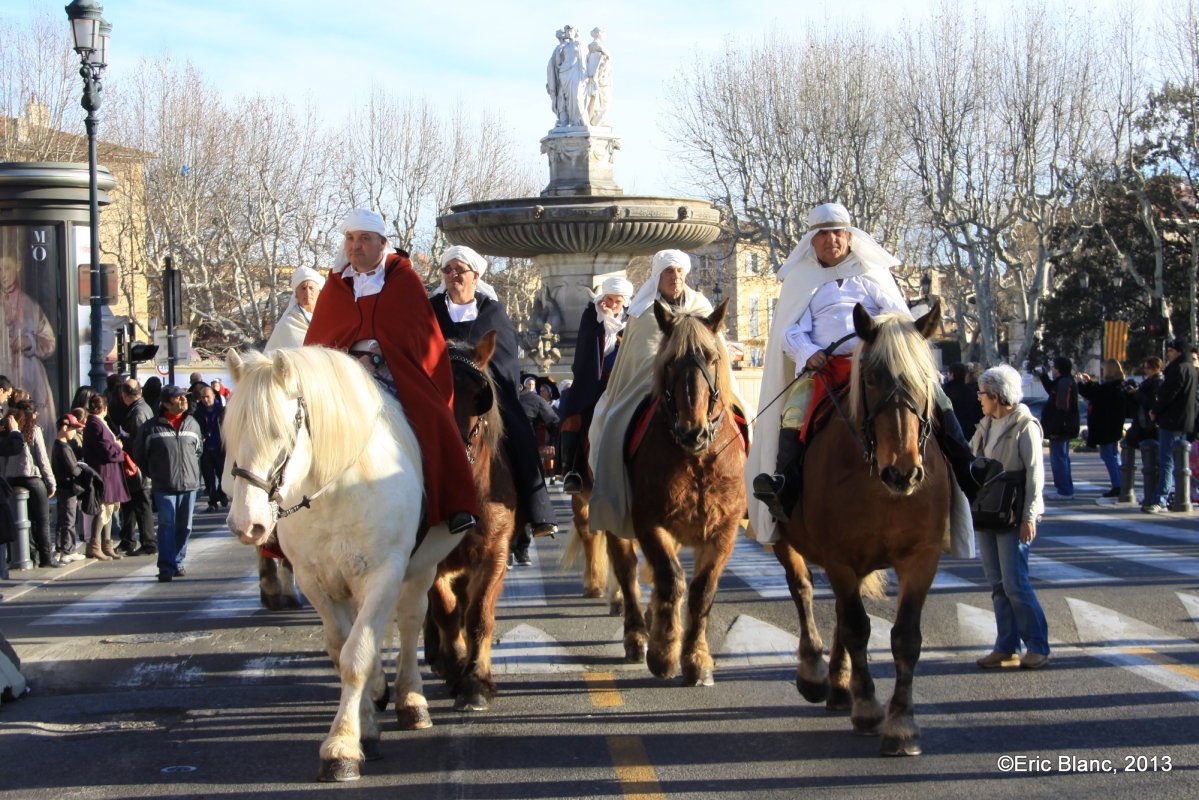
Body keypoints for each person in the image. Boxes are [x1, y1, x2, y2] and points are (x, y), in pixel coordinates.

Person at [747, 202, 981, 542]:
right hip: (828, 367)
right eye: (824, 234)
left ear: (849, 235)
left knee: (936, 397)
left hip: (878, 362)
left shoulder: (871, 273)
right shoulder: (801, 279)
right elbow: (791, 329)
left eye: (838, 233)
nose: (832, 240)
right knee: (794, 412)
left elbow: (898, 317)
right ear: (812, 240)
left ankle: (968, 469)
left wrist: (882, 343)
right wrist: (807, 352)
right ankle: (786, 484)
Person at [305, 209, 478, 535]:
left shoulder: (403, 281)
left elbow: (422, 341)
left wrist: (382, 358)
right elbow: (318, 344)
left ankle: (454, 503)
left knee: (435, 416)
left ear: (383, 243)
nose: (356, 247)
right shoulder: (335, 287)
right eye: (350, 239)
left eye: (365, 239)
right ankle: (286, 513)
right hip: (340, 380)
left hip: (394, 378)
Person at [589, 249, 735, 535]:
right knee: (611, 422)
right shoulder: (644, 312)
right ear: (658, 276)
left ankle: (754, 489)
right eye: (669, 272)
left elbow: (718, 352)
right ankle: (613, 497)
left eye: (679, 271)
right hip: (650, 384)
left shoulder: (703, 307)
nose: (675, 277)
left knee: (745, 417)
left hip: (704, 385)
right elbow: (640, 355)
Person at [428, 244, 558, 543]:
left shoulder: (493, 312)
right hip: (440, 391)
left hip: (487, 390)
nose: (452, 276)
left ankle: (538, 511)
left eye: (459, 270)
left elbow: (505, 363)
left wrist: (484, 378)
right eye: (447, 270)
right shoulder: (430, 309)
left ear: (475, 276)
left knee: (518, 429)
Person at [970, 364, 1050, 670]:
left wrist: (1030, 516)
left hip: (1013, 512)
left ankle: (1038, 645)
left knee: (1015, 584)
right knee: (997, 583)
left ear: (996, 395)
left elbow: (1035, 476)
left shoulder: (1025, 425)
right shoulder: (985, 425)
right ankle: (1006, 645)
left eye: (982, 393)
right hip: (986, 510)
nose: (979, 398)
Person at [559, 275, 633, 494]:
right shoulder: (591, 315)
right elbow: (589, 350)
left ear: (625, 302)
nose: (611, 305)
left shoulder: (634, 319)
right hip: (595, 381)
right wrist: (606, 323)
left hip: (625, 380)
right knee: (571, 413)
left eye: (617, 301)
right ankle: (571, 469)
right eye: (609, 299)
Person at [134, 384, 202, 582]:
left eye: (184, 397)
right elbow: (140, 455)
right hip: (164, 485)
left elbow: (198, 451)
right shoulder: (151, 427)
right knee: (166, 525)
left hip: (189, 484)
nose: (183, 400)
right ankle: (166, 566)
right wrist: (154, 473)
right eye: (178, 398)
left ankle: (178, 561)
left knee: (185, 526)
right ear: (164, 403)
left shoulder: (192, 424)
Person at [0, 255, 56, 437]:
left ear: (18, 267)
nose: (3, 274)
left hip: (30, 377)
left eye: (7, 268)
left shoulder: (30, 305)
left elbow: (49, 342)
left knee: (34, 428)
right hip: (4, 373)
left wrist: (29, 340)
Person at [0, 400, 57, 568]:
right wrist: (51, 481)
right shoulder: (34, 430)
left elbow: (2, 461)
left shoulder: (6, 432)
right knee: (42, 519)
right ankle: (46, 558)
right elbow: (42, 458)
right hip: (32, 478)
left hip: (11, 480)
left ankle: (26, 555)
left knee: (20, 520)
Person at [1145, 338, 1197, 513]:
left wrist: (1156, 410)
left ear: (1179, 352)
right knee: (1180, 461)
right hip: (1185, 420)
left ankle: (1160, 498)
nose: (1168, 354)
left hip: (1172, 419)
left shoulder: (1177, 369)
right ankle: (1183, 495)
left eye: (1171, 351)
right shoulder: (1190, 368)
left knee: (1166, 460)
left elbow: (1169, 394)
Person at [81, 394, 130, 561]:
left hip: (108, 471)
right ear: (104, 408)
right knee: (103, 508)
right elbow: (106, 450)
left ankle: (106, 544)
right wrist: (118, 447)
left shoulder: (98, 423)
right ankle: (95, 545)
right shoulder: (95, 424)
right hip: (104, 472)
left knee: (110, 507)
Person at [1078, 359, 1129, 502]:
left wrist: (1082, 384)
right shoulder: (1117, 386)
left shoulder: (1110, 388)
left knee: (1108, 456)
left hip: (1106, 427)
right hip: (1113, 426)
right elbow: (1097, 392)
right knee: (1113, 455)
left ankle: (1118, 485)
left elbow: (1094, 394)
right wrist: (1089, 383)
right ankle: (1120, 483)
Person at [116, 380, 157, 555]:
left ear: (125, 395)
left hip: (137, 466)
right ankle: (127, 540)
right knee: (131, 503)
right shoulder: (143, 407)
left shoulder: (138, 412)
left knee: (141, 503)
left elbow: (140, 441)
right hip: (138, 465)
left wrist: (122, 441)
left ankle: (148, 543)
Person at [1037, 356, 1080, 500]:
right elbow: (1051, 390)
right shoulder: (1062, 382)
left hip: (1061, 428)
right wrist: (1043, 376)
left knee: (1059, 459)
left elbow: (1063, 407)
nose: (1052, 371)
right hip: (1061, 427)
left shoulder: (1065, 383)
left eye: (1054, 368)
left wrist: (1057, 426)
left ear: (1060, 369)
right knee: (1061, 458)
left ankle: (1064, 490)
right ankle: (1065, 488)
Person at [50, 413, 89, 564]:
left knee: (62, 519)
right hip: (68, 487)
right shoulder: (63, 446)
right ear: (64, 428)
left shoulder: (58, 444)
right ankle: (68, 550)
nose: (75, 431)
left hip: (62, 487)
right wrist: (82, 469)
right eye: (73, 428)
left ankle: (60, 548)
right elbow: (73, 469)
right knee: (69, 519)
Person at [265, 265, 325, 352]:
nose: (307, 292)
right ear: (296, 294)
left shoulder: (328, 318)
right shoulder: (287, 324)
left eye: (311, 288)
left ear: (319, 292)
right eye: (303, 288)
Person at [194, 384, 228, 511]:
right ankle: (213, 501)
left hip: (220, 447)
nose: (205, 400)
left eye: (208, 397)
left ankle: (222, 494)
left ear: (214, 396)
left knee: (222, 474)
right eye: (203, 397)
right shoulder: (197, 412)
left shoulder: (222, 410)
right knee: (208, 477)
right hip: (206, 448)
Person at [943, 362, 983, 442]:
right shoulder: (971, 392)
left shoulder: (945, 392)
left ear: (952, 374)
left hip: (951, 434)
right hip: (970, 432)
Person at [585, 27, 612, 127]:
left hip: (599, 80)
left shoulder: (593, 49)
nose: (604, 36)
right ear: (599, 34)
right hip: (601, 81)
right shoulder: (598, 48)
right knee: (605, 103)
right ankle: (596, 121)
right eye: (603, 33)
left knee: (599, 103)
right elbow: (595, 67)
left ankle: (598, 120)